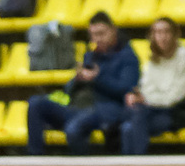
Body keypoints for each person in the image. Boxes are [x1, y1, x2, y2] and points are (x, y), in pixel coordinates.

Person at [26, 11, 141, 151]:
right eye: (93, 35)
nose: (97, 39)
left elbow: (126, 88)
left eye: (101, 33)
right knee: (36, 104)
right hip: (78, 107)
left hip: (106, 109)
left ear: (113, 31)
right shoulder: (91, 56)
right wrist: (77, 80)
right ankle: (36, 158)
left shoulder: (128, 57)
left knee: (73, 128)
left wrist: (97, 78)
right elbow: (69, 90)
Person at [124, 16, 185, 152]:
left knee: (133, 122)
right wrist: (141, 98)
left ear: (175, 35)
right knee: (127, 126)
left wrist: (145, 99)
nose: (162, 37)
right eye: (158, 32)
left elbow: (175, 97)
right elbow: (147, 88)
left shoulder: (184, 58)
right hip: (154, 110)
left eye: (166, 32)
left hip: (180, 112)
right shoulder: (153, 59)